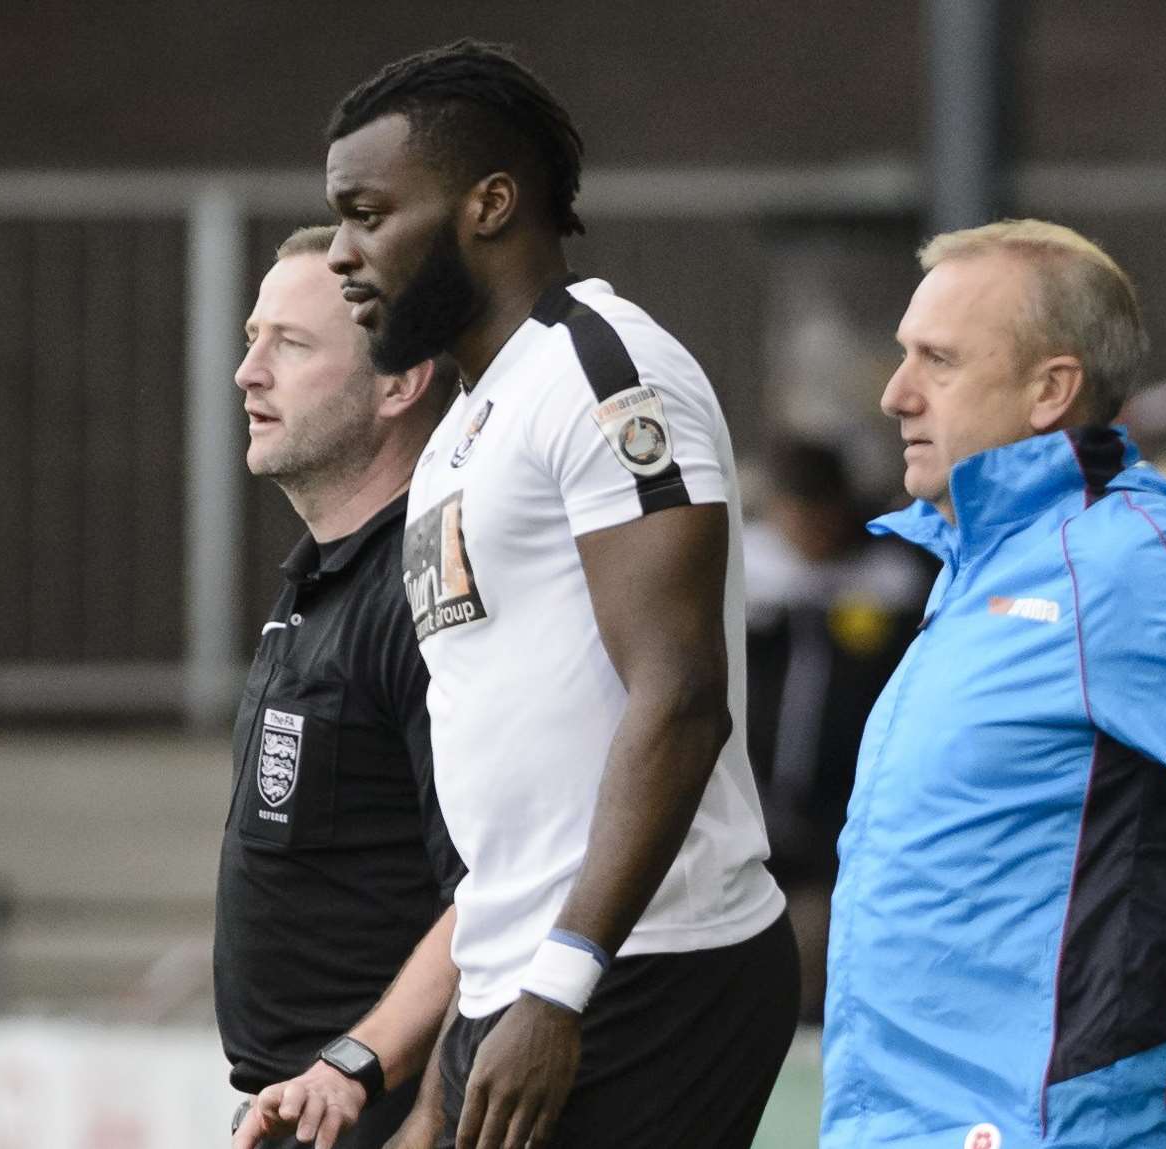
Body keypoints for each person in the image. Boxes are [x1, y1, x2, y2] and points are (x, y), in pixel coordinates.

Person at [322, 40, 798, 1149]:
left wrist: (560, 987)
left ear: (490, 205)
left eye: (366, 212)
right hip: (525, 975)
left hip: (647, 966)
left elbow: (679, 695)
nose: (344, 252)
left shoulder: (604, 371)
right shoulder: (470, 419)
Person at [820, 218, 1166, 1149]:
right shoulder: (976, 568)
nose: (895, 393)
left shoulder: (1133, 564)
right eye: (905, 356)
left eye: (937, 360)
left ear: (1050, 390)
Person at [215, 224, 464, 1149]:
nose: (248, 372)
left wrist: (403, 1096)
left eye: (291, 344)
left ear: (401, 383)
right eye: (251, 337)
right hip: (304, 1110)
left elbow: (498, 888)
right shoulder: (317, 579)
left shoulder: (427, 593)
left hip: (382, 1110)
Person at [742, 436, 931, 1022]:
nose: (807, 529)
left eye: (819, 512)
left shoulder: (896, 577)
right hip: (750, 807)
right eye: (793, 512)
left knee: (813, 964)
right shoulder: (745, 570)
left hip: (843, 819)